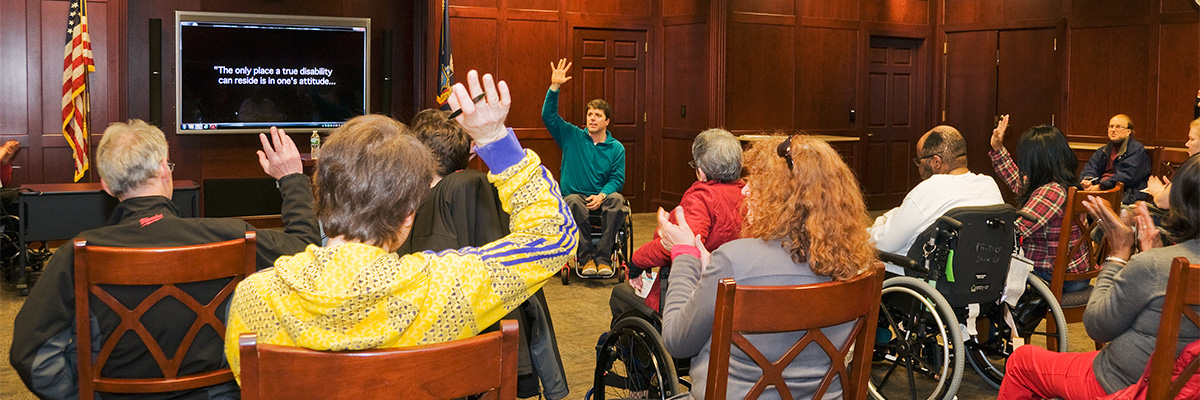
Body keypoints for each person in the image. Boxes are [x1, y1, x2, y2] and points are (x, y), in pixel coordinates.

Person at [223, 70, 577, 382]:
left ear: (319, 196)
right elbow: (553, 236)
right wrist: (495, 140)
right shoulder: (444, 288)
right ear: (410, 214)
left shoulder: (254, 300)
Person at [9, 119, 321, 399]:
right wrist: (292, 177)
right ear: (163, 169)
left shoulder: (74, 253)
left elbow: (32, 354)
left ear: (105, 184)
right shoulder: (231, 234)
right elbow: (305, 249)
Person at [658, 135, 877, 399]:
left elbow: (677, 342)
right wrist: (711, 270)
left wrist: (684, 254)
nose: (744, 190)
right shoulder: (858, 263)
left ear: (782, 198)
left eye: (758, 184)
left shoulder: (734, 259)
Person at [398, 108, 568, 400]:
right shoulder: (480, 188)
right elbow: (553, 233)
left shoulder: (430, 202)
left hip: (429, 362)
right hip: (476, 350)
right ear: (470, 151)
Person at [998, 155, 1200, 400]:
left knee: (1021, 361)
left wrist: (1118, 255)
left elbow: (1097, 327)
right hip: (1186, 387)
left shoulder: (1155, 267)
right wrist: (1154, 257)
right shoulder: (1160, 264)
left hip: (1124, 384)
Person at [609, 128, 744, 318]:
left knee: (620, 295)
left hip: (692, 298)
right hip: (737, 294)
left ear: (701, 172)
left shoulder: (702, 199)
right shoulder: (751, 197)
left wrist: (637, 261)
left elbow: (679, 247)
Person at [868, 125, 1004, 275]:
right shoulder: (989, 185)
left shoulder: (929, 188)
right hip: (977, 279)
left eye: (918, 161)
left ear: (936, 162)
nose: (918, 167)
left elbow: (883, 243)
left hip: (924, 282)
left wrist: (875, 226)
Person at [542, 58, 627, 276]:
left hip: (603, 197)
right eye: (590, 114)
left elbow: (617, 179)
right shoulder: (571, 135)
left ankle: (604, 259)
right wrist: (555, 87)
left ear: (607, 121)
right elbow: (548, 117)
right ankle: (586, 258)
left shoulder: (616, 148)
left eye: (598, 115)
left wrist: (602, 195)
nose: (592, 118)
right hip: (576, 197)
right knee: (571, 202)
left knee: (618, 202)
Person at [989, 115, 1090, 292]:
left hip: (1056, 276)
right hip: (1071, 272)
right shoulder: (1061, 183)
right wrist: (998, 149)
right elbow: (1018, 182)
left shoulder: (1051, 191)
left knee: (989, 276)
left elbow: (1015, 232)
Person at [1079, 114, 1151, 204]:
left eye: (1118, 127)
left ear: (1129, 131)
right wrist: (1088, 181)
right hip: (1101, 190)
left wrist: (1101, 186)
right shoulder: (1103, 150)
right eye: (1111, 126)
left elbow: (1127, 176)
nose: (1113, 130)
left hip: (1125, 194)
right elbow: (1091, 167)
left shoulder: (1137, 150)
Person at [1143, 117, 1200, 210]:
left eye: (1192, 139)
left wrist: (1156, 191)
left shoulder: (1194, 166)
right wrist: (1174, 188)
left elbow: (1163, 202)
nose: (1187, 144)